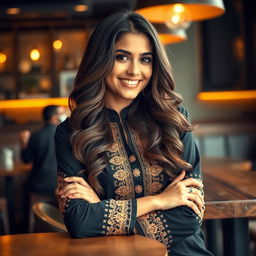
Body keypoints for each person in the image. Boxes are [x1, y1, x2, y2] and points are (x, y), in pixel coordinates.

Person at [55, 11, 213, 256]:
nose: (135, 70)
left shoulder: (174, 118)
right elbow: (79, 222)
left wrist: (102, 210)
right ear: (101, 59)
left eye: (146, 59)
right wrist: (159, 201)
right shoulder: (71, 132)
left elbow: (189, 215)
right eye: (122, 57)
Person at [19, 105, 66, 197]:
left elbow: (26, 160)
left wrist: (23, 143)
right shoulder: (67, 135)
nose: (66, 115)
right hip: (61, 185)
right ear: (54, 117)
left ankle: (31, 211)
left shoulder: (36, 135)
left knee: (24, 186)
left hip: (38, 185)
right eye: (62, 113)